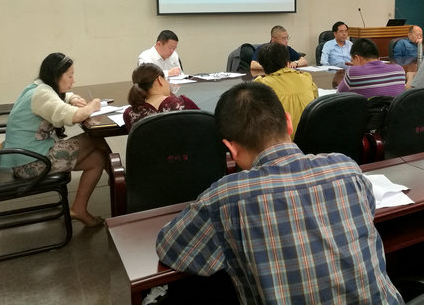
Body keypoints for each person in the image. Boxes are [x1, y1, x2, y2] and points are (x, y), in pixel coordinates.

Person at [156, 82, 404, 304]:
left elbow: (171, 248)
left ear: (231, 149)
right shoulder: (346, 168)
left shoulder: (225, 197)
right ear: (288, 122)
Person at [0, 53, 109, 227]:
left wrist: (72, 97)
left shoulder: (39, 87)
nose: (73, 80)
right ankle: (122, 182)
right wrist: (92, 106)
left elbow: (59, 97)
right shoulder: (42, 94)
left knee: (97, 159)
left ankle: (79, 209)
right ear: (56, 76)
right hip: (30, 162)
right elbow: (73, 116)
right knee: (96, 140)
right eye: (70, 76)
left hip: (27, 155)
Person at [254, 42, 317, 134]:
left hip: (281, 139)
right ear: (287, 63)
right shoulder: (306, 78)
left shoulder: (261, 85)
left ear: (262, 66)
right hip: (310, 137)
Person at [122, 63, 200, 131]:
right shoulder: (183, 103)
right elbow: (204, 125)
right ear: (159, 80)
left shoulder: (130, 114)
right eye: (165, 79)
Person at [337, 38, 406, 98]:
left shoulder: (353, 72)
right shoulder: (399, 70)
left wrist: (356, 68)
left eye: (352, 60)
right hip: (392, 109)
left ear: (357, 58)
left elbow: (338, 96)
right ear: (378, 58)